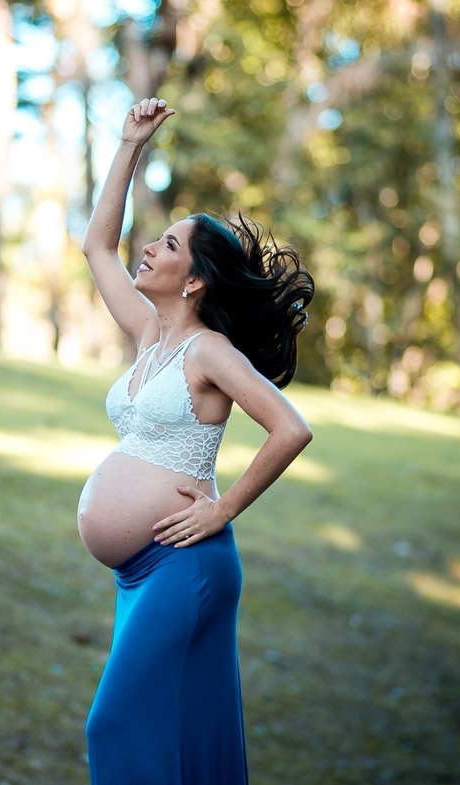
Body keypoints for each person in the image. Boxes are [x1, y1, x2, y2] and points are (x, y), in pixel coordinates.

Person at [76, 98, 315, 784]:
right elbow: (97, 246)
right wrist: (129, 147)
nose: (149, 248)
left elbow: (290, 426)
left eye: (170, 245)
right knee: (167, 729)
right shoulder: (150, 334)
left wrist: (222, 508)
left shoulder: (210, 352)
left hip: (187, 565)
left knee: (115, 722)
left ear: (197, 278)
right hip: (141, 570)